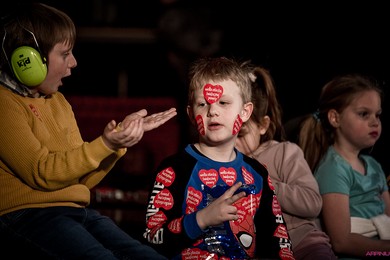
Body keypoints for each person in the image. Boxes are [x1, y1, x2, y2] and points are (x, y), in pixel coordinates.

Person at [0, 3, 176, 259]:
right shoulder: (5, 104)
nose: (74, 62)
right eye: (65, 53)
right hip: (28, 216)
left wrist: (117, 143)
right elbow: (43, 172)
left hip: (75, 211)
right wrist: (105, 144)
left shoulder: (58, 102)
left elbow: (81, 178)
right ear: (28, 60)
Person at [142, 56, 295, 259]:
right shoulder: (173, 170)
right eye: (202, 104)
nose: (213, 111)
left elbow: (278, 240)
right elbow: (151, 238)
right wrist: (201, 219)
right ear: (190, 113)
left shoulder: (257, 173)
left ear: (245, 112)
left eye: (223, 103)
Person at [235, 66, 337, 259]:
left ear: (263, 125)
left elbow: (312, 203)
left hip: (304, 245)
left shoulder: (284, 152)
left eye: (240, 134)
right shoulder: (222, 166)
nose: (233, 143)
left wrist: (263, 184)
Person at [298, 74, 390, 259]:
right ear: (335, 118)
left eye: (377, 115)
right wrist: (385, 251)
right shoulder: (333, 169)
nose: (375, 122)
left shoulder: (373, 165)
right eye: (364, 114)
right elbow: (342, 242)